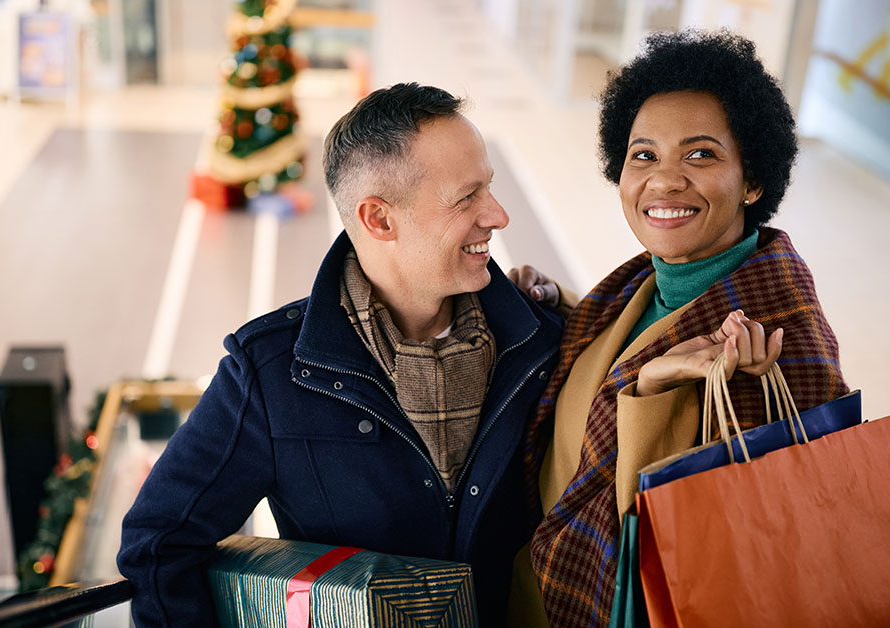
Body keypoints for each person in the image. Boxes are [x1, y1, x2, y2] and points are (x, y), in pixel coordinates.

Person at [117, 83, 564, 628]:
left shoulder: (541, 342)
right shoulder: (272, 373)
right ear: (378, 219)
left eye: (488, 188)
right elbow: (159, 542)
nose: (497, 215)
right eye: (466, 197)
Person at [517, 30, 850, 628]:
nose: (665, 180)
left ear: (753, 181)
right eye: (643, 154)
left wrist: (651, 390)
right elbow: (634, 349)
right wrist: (563, 307)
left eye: (700, 155)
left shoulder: (769, 336)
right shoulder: (638, 288)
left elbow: (687, 538)